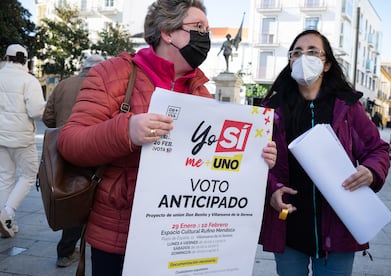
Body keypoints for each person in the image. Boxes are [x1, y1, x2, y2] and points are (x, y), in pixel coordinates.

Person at [57, 0, 277, 275]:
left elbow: (214, 162)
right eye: (198, 27)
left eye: (207, 29)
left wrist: (255, 156)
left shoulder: (201, 93)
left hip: (180, 240)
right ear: (167, 32)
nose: (205, 36)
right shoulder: (113, 74)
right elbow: (71, 143)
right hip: (119, 235)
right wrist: (126, 131)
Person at [259, 30, 390, 276]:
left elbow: (377, 149)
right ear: (289, 61)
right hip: (289, 223)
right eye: (296, 53)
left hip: (338, 227)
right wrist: (273, 188)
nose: (302, 58)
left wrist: (371, 171)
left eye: (312, 52)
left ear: (327, 63)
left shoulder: (348, 107)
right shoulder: (271, 111)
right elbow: (258, 161)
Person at [42, 54, 105, 267]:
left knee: (71, 196)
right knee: (83, 200)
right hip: (90, 149)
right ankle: (66, 250)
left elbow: (47, 118)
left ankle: (68, 248)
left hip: (62, 147)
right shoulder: (102, 85)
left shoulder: (63, 84)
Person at [0, 44, 45, 238]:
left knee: (5, 177)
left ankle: (6, 222)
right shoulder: (29, 81)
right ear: (25, 61)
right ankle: (7, 213)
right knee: (28, 175)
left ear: (7, 58)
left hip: (1, 137)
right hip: (22, 138)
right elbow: (36, 111)